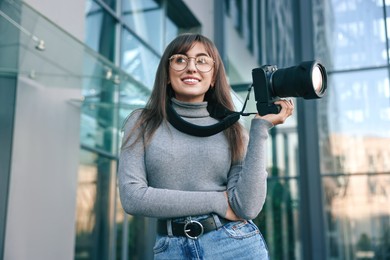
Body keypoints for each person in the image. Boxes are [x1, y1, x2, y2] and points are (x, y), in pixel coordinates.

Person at [118, 33, 294, 259]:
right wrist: (217, 200)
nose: (191, 67)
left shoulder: (233, 129)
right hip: (170, 250)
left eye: (202, 60)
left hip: (235, 245)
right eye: (180, 59)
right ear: (167, 74)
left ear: (213, 78)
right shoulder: (142, 122)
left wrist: (259, 128)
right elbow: (133, 198)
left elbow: (247, 207)